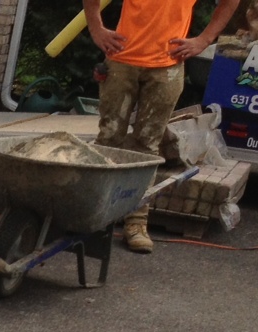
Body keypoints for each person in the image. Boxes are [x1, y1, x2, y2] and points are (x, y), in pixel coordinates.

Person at [85, 0, 241, 252]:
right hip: (122, 60)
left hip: (166, 67)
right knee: (108, 140)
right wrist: (96, 28)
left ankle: (135, 222)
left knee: (147, 146)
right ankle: (93, 216)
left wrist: (204, 40)